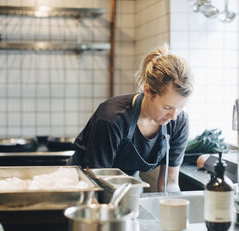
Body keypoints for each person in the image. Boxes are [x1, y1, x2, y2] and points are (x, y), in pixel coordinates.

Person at [68, 45, 193, 192]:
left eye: (180, 107)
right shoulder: (112, 118)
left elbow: (170, 183)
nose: (173, 116)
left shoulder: (180, 122)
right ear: (147, 91)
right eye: (167, 107)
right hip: (83, 185)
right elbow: (97, 183)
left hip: (128, 186)